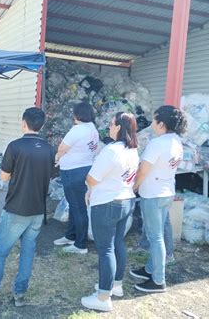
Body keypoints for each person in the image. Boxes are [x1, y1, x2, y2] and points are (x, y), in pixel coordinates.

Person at [0, 107, 56, 307]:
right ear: (42, 125)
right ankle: (19, 295)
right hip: (38, 209)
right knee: (28, 252)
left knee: (0, 252)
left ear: (23, 123)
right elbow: (50, 175)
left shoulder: (15, 146)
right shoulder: (49, 149)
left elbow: (3, 177)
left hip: (15, 208)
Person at [81, 112, 139, 312]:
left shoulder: (111, 150)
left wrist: (89, 187)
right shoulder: (132, 149)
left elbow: (92, 178)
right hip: (126, 200)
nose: (109, 127)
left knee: (105, 249)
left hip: (107, 202)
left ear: (119, 128)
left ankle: (103, 297)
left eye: (111, 124)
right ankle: (116, 285)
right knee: (117, 244)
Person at [130, 105, 186, 293]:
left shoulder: (158, 143)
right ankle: (150, 269)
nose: (152, 123)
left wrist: (134, 187)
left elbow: (144, 169)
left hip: (153, 193)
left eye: (154, 120)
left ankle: (158, 280)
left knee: (156, 237)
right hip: (166, 191)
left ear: (161, 124)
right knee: (159, 232)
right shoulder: (176, 141)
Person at [53, 102, 99, 254]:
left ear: (78, 114)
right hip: (84, 169)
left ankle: (80, 245)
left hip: (73, 172)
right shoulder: (93, 129)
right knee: (75, 205)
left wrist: (57, 157)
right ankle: (71, 235)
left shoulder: (78, 129)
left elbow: (62, 148)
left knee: (78, 208)